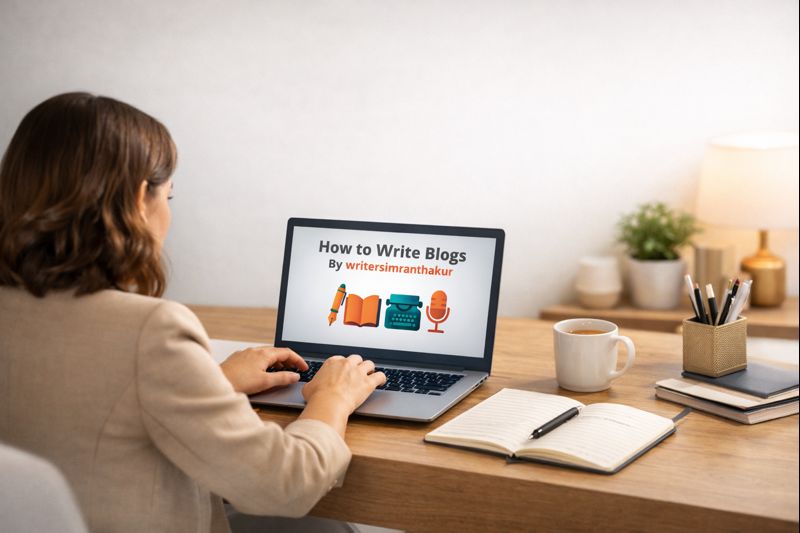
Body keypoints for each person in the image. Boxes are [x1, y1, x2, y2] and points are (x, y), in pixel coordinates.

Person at [0, 92, 386, 532]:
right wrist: (333, 397)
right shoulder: (150, 332)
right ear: (138, 198)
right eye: (169, 195)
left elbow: (76, 404)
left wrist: (212, 383)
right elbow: (285, 485)